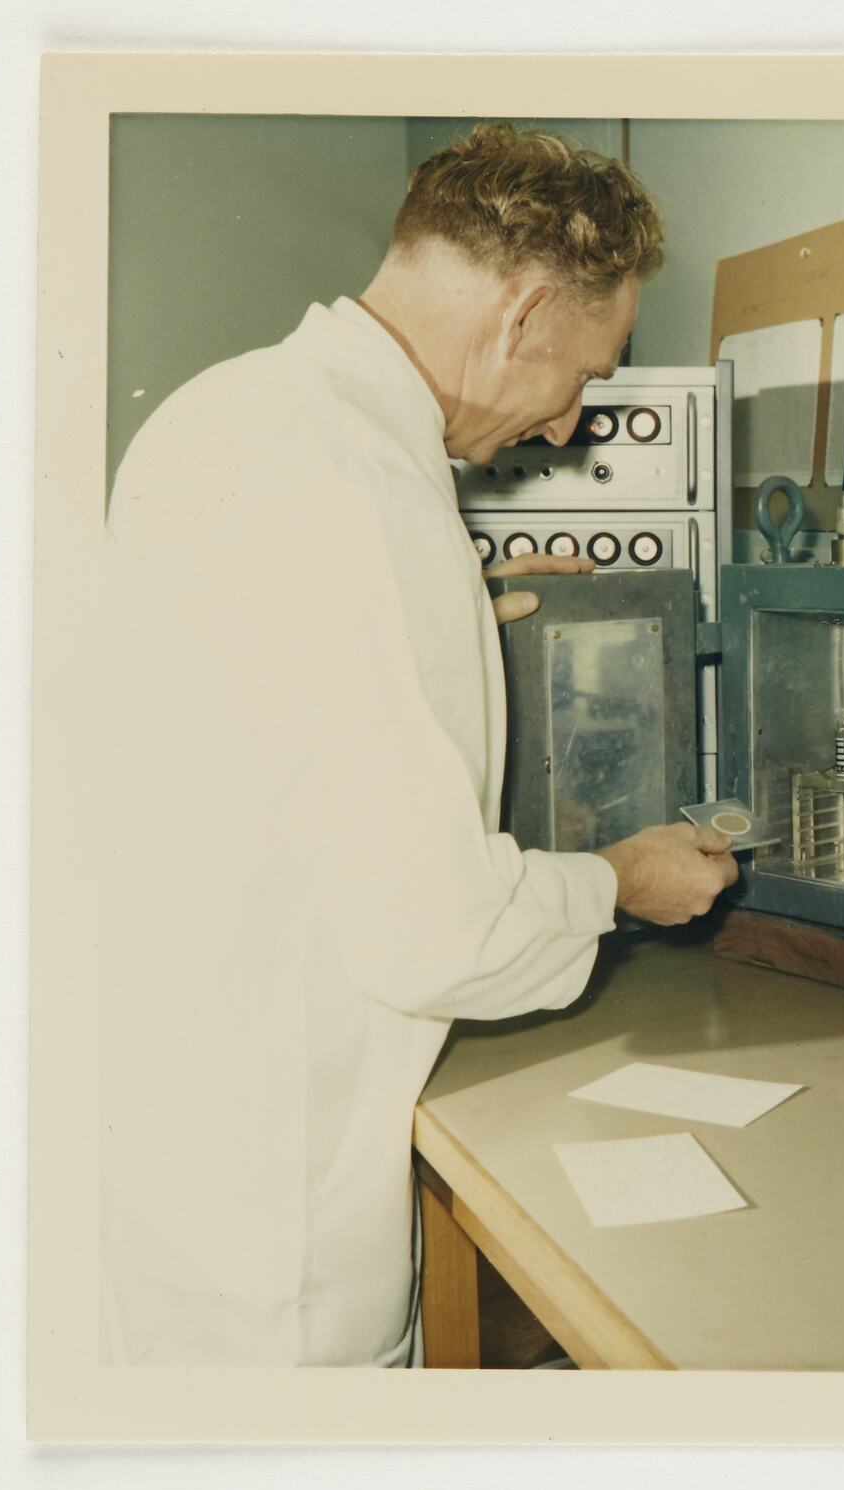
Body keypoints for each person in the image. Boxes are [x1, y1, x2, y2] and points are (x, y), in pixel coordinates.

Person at [98, 124, 739, 1366]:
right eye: (590, 374)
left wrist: (459, 600)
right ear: (526, 311)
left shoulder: (233, 410)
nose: (569, 427)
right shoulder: (365, 490)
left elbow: (263, 696)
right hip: (276, 1233)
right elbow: (436, 933)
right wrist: (621, 883)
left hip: (170, 1160)